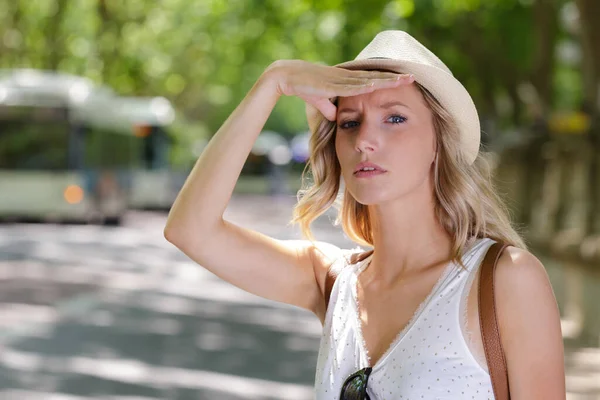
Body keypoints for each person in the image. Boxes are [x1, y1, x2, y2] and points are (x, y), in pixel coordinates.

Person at [164, 30, 566, 399]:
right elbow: (191, 229)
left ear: (438, 144)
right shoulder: (331, 282)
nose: (366, 140)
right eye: (349, 123)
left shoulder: (505, 280)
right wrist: (273, 82)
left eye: (395, 118)